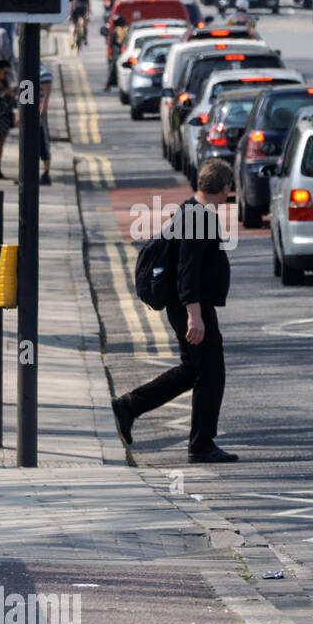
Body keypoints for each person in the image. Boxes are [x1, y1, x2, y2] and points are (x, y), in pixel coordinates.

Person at [111, 159, 239, 464]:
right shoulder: (199, 218)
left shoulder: (190, 209)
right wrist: (194, 315)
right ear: (224, 188)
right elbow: (187, 271)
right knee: (210, 373)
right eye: (230, 188)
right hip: (191, 306)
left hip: (188, 305)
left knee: (192, 371)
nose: (230, 193)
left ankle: (129, 406)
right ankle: (201, 445)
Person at [38, 64, 53, 186]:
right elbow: (23, 93)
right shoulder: (25, 68)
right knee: (27, 145)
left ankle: (46, 173)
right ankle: (27, 174)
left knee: (43, 144)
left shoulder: (43, 71)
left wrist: (41, 114)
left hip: (38, 117)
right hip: (27, 116)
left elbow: (45, 97)